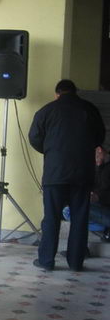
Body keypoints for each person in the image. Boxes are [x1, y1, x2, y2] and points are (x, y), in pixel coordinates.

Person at [29, 79, 105, 271]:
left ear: (57, 94)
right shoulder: (89, 109)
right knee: (80, 218)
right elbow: (100, 137)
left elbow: (34, 138)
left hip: (55, 173)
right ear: (75, 91)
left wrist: (50, 150)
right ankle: (76, 262)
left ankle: (46, 260)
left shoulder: (46, 111)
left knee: (51, 218)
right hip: (82, 173)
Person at [62, 146, 110, 244]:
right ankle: (105, 227)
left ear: (99, 150)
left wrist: (98, 197)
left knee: (74, 210)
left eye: (94, 157)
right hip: (100, 209)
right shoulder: (98, 168)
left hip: (106, 208)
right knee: (67, 211)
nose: (94, 161)